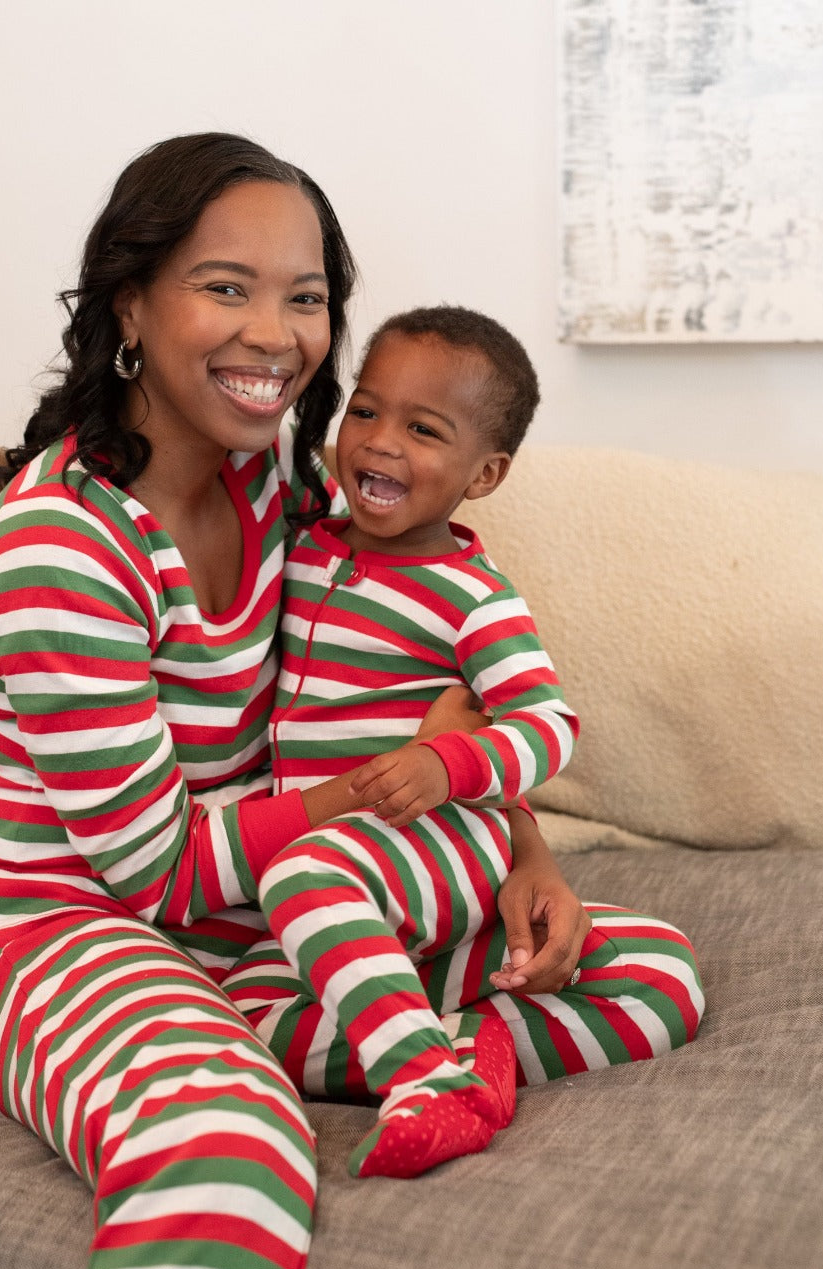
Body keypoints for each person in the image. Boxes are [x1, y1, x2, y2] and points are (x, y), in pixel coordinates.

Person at [0, 132, 703, 1269]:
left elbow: (418, 681)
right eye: (225, 287)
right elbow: (152, 861)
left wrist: (522, 845)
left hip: (261, 921)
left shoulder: (274, 485)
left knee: (652, 969)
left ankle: (396, 1040)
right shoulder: (58, 549)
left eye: (304, 297)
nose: (275, 334)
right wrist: (371, 792)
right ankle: (367, 1050)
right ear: (129, 300)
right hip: (62, 934)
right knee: (225, 1150)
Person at [228, 306, 580, 1179]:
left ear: (485, 474)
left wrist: (445, 762)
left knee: (297, 875)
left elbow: (548, 725)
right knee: (243, 1007)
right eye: (366, 411)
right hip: (346, 877)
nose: (381, 443)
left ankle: (425, 1082)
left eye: (424, 430)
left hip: (442, 845)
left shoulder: (474, 597)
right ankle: (454, 1043)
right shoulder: (301, 545)